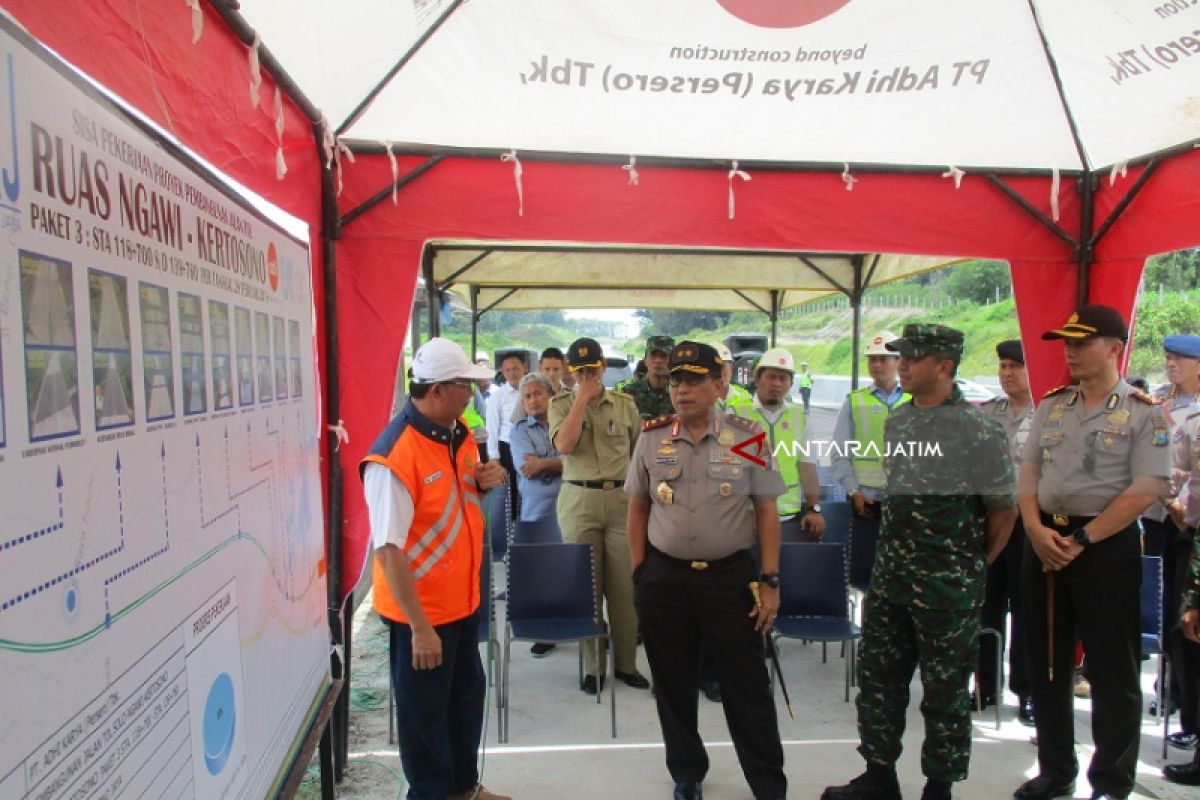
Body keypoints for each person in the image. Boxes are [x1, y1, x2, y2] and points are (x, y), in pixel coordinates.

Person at [823, 324, 1016, 800]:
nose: (901, 365)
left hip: (947, 588)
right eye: (900, 357)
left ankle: (939, 786)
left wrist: (969, 567)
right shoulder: (901, 421)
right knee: (878, 681)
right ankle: (879, 775)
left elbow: (1003, 510)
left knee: (945, 692)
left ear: (944, 366)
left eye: (912, 357)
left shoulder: (980, 430)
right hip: (891, 580)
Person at [1015, 305, 1171, 800]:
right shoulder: (1052, 405)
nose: (1071, 352)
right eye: (1067, 343)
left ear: (1114, 349)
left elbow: (1147, 486)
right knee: (1048, 663)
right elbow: (1029, 472)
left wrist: (1084, 539)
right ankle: (1056, 770)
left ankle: (1111, 781)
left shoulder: (1145, 411)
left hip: (1104, 547)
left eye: (1082, 343)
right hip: (1045, 542)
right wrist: (1036, 529)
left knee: (1112, 669)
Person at [627, 341, 787, 800]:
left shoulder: (748, 435)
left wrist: (770, 581)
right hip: (665, 579)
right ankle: (687, 772)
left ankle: (768, 783)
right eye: (676, 380)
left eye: (694, 380)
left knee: (747, 686)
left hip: (730, 579)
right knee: (673, 683)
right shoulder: (652, 437)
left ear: (719, 385)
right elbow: (637, 508)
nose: (682, 389)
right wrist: (641, 572)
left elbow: (767, 511)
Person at [360, 337, 511, 800]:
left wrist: (486, 480)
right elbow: (388, 551)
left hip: (462, 604)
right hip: (421, 617)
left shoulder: (458, 434)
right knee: (425, 720)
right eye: (466, 386)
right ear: (440, 390)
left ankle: (464, 788)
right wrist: (421, 628)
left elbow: (456, 503)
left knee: (464, 701)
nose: (474, 394)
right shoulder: (394, 457)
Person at [550, 338, 650, 693]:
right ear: (571, 373)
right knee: (587, 588)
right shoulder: (561, 404)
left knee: (624, 588)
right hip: (580, 500)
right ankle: (594, 668)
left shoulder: (625, 405)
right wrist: (580, 400)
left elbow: (641, 456)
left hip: (622, 499)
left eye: (592, 369)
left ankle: (626, 664)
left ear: (603, 367)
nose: (587, 376)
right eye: (579, 372)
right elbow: (563, 446)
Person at [977, 340, 1036, 725]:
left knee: (1028, 609)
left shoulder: (1048, 412)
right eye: (1003, 365)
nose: (1007, 372)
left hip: (1031, 525)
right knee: (987, 605)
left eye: (1016, 365)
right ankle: (985, 686)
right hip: (992, 521)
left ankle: (1027, 692)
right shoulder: (987, 414)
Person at [830, 330, 909, 590]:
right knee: (865, 575)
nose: (877, 364)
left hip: (905, 502)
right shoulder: (855, 401)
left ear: (899, 361)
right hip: (866, 502)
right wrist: (853, 491)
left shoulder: (915, 400)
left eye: (884, 359)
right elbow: (840, 452)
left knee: (902, 573)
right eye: (872, 359)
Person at [1151, 334, 1200, 744]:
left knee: (1189, 620)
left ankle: (1189, 714)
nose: (1171, 365)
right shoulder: (1158, 402)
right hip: (1165, 518)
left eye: (1180, 359)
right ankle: (1172, 694)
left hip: (1193, 525)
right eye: (1168, 358)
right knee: (1171, 616)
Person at [738, 347, 826, 532]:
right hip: (746, 516)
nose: (777, 384)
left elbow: (807, 467)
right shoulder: (736, 414)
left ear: (791, 383)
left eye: (783, 378)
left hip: (789, 517)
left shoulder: (799, 417)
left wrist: (813, 509)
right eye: (771, 377)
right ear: (758, 378)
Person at [1165, 406, 1200, 785]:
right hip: (1191, 540)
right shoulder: (1191, 422)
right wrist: (1175, 509)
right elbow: (1168, 476)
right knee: (1188, 640)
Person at [486, 351, 527, 517]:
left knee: (529, 491)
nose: (512, 373)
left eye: (515, 368)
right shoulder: (497, 396)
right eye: (507, 370)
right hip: (507, 449)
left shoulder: (534, 391)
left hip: (529, 448)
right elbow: (492, 428)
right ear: (503, 373)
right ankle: (513, 533)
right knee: (511, 495)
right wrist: (494, 459)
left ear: (525, 368)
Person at [623, 336, 676, 420]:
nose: (658, 360)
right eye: (653, 355)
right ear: (645, 361)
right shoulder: (628, 393)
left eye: (664, 356)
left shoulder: (679, 393)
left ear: (674, 362)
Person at [714, 343, 753, 413]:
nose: (724, 370)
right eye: (718, 365)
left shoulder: (745, 396)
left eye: (729, 363)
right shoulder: (698, 397)